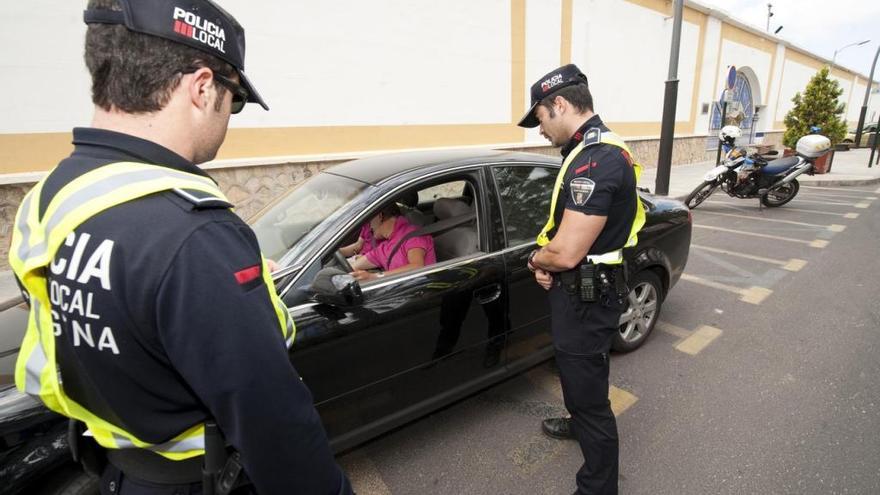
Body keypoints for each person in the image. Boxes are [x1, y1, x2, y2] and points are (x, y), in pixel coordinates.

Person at [8, 1, 351, 494]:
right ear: (202, 87)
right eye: (233, 101)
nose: (230, 117)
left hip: (118, 473)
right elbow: (274, 424)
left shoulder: (52, 198)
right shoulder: (194, 233)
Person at [518, 64, 645, 495]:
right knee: (583, 375)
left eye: (539, 117)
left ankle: (597, 487)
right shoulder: (593, 150)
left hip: (588, 296)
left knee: (589, 398)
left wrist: (538, 258)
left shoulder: (596, 159)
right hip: (588, 289)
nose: (539, 129)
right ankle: (578, 421)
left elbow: (568, 251)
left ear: (559, 104)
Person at [349, 203, 436, 281]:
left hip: (419, 292)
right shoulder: (384, 246)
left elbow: (417, 266)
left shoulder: (413, 235)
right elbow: (354, 266)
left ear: (379, 216)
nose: (369, 226)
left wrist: (374, 276)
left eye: (370, 220)